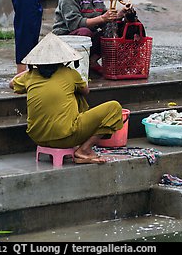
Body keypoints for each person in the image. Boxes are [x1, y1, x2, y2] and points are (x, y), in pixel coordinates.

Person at [9, 32, 124, 164]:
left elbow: (12, 83)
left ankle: (80, 145)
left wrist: (29, 71)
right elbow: (86, 91)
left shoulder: (29, 76)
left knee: (73, 97)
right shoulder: (69, 73)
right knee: (114, 108)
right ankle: (84, 150)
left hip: (37, 137)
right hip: (65, 137)